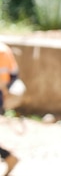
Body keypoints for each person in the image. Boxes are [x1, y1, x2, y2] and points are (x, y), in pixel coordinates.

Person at [0, 42, 20, 174]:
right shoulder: (4, 49)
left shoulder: (1, 51)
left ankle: (8, 157)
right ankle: (8, 157)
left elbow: (3, 80)